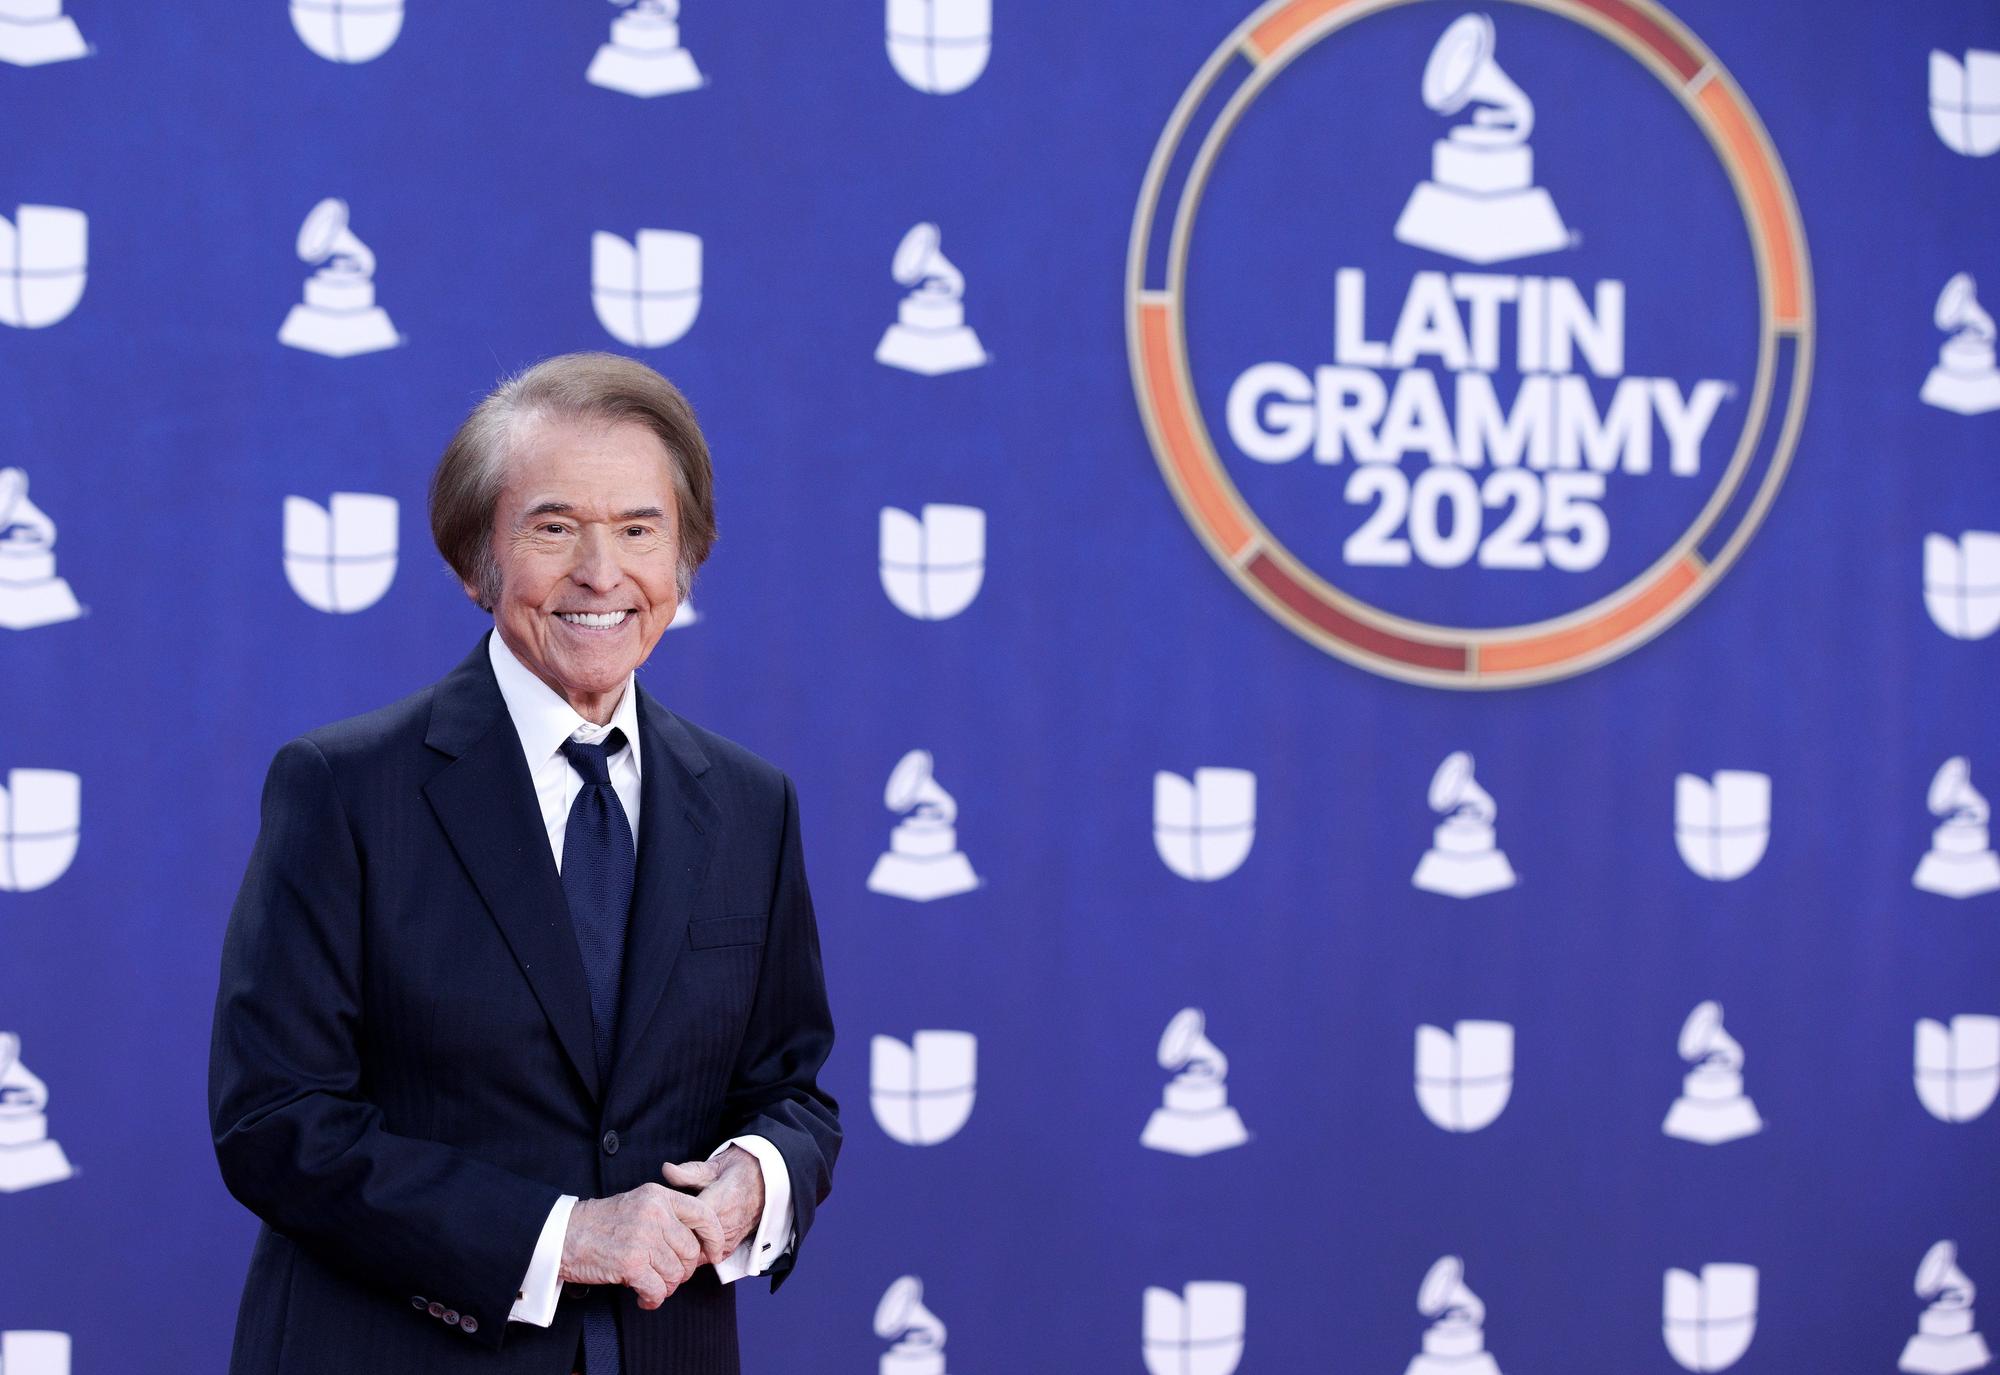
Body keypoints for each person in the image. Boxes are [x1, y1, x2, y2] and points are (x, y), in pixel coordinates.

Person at [209, 352, 839, 1375]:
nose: (601, 573)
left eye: (640, 529)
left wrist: (757, 1177)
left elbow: (792, 1089)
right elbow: (276, 1119)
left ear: (684, 562)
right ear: (475, 560)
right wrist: (560, 1238)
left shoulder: (750, 805)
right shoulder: (344, 788)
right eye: (554, 528)